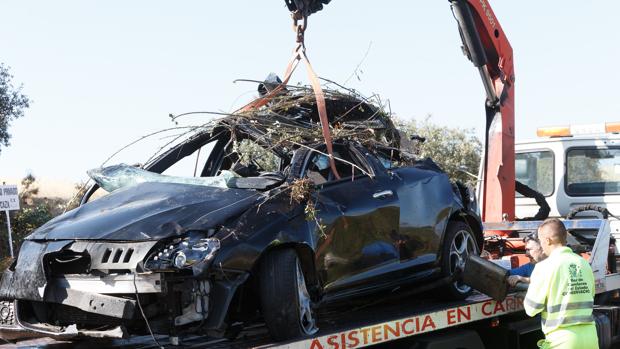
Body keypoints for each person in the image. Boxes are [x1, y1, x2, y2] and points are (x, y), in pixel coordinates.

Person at [524, 218, 598, 349]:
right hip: (590, 337)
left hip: (562, 341)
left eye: (541, 241)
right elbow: (589, 295)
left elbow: (531, 309)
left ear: (548, 240)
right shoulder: (583, 263)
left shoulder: (544, 267)